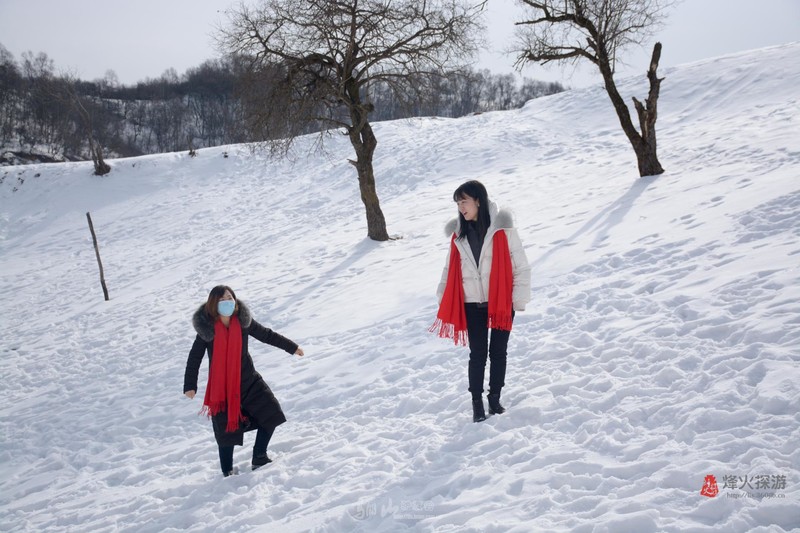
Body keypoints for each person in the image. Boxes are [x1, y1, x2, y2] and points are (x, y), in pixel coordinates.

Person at [433, 180, 531, 422]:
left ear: (478, 200)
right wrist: (443, 298)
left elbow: (521, 266)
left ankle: (494, 398)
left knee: (498, 352)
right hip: (472, 304)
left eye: (464, 201)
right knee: (477, 354)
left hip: (501, 303)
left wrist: (517, 299)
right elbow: (448, 269)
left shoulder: (503, 229)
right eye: (458, 203)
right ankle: (476, 403)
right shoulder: (458, 235)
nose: (461, 207)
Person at [183, 285, 304, 477]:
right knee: (226, 433)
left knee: (271, 414)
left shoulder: (243, 322)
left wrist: (292, 347)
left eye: (229, 298)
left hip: (249, 382)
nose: (227, 302)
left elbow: (267, 335)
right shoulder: (207, 330)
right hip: (222, 390)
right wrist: (190, 385)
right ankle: (227, 472)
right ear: (213, 304)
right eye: (222, 300)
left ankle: (259, 456)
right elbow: (194, 358)